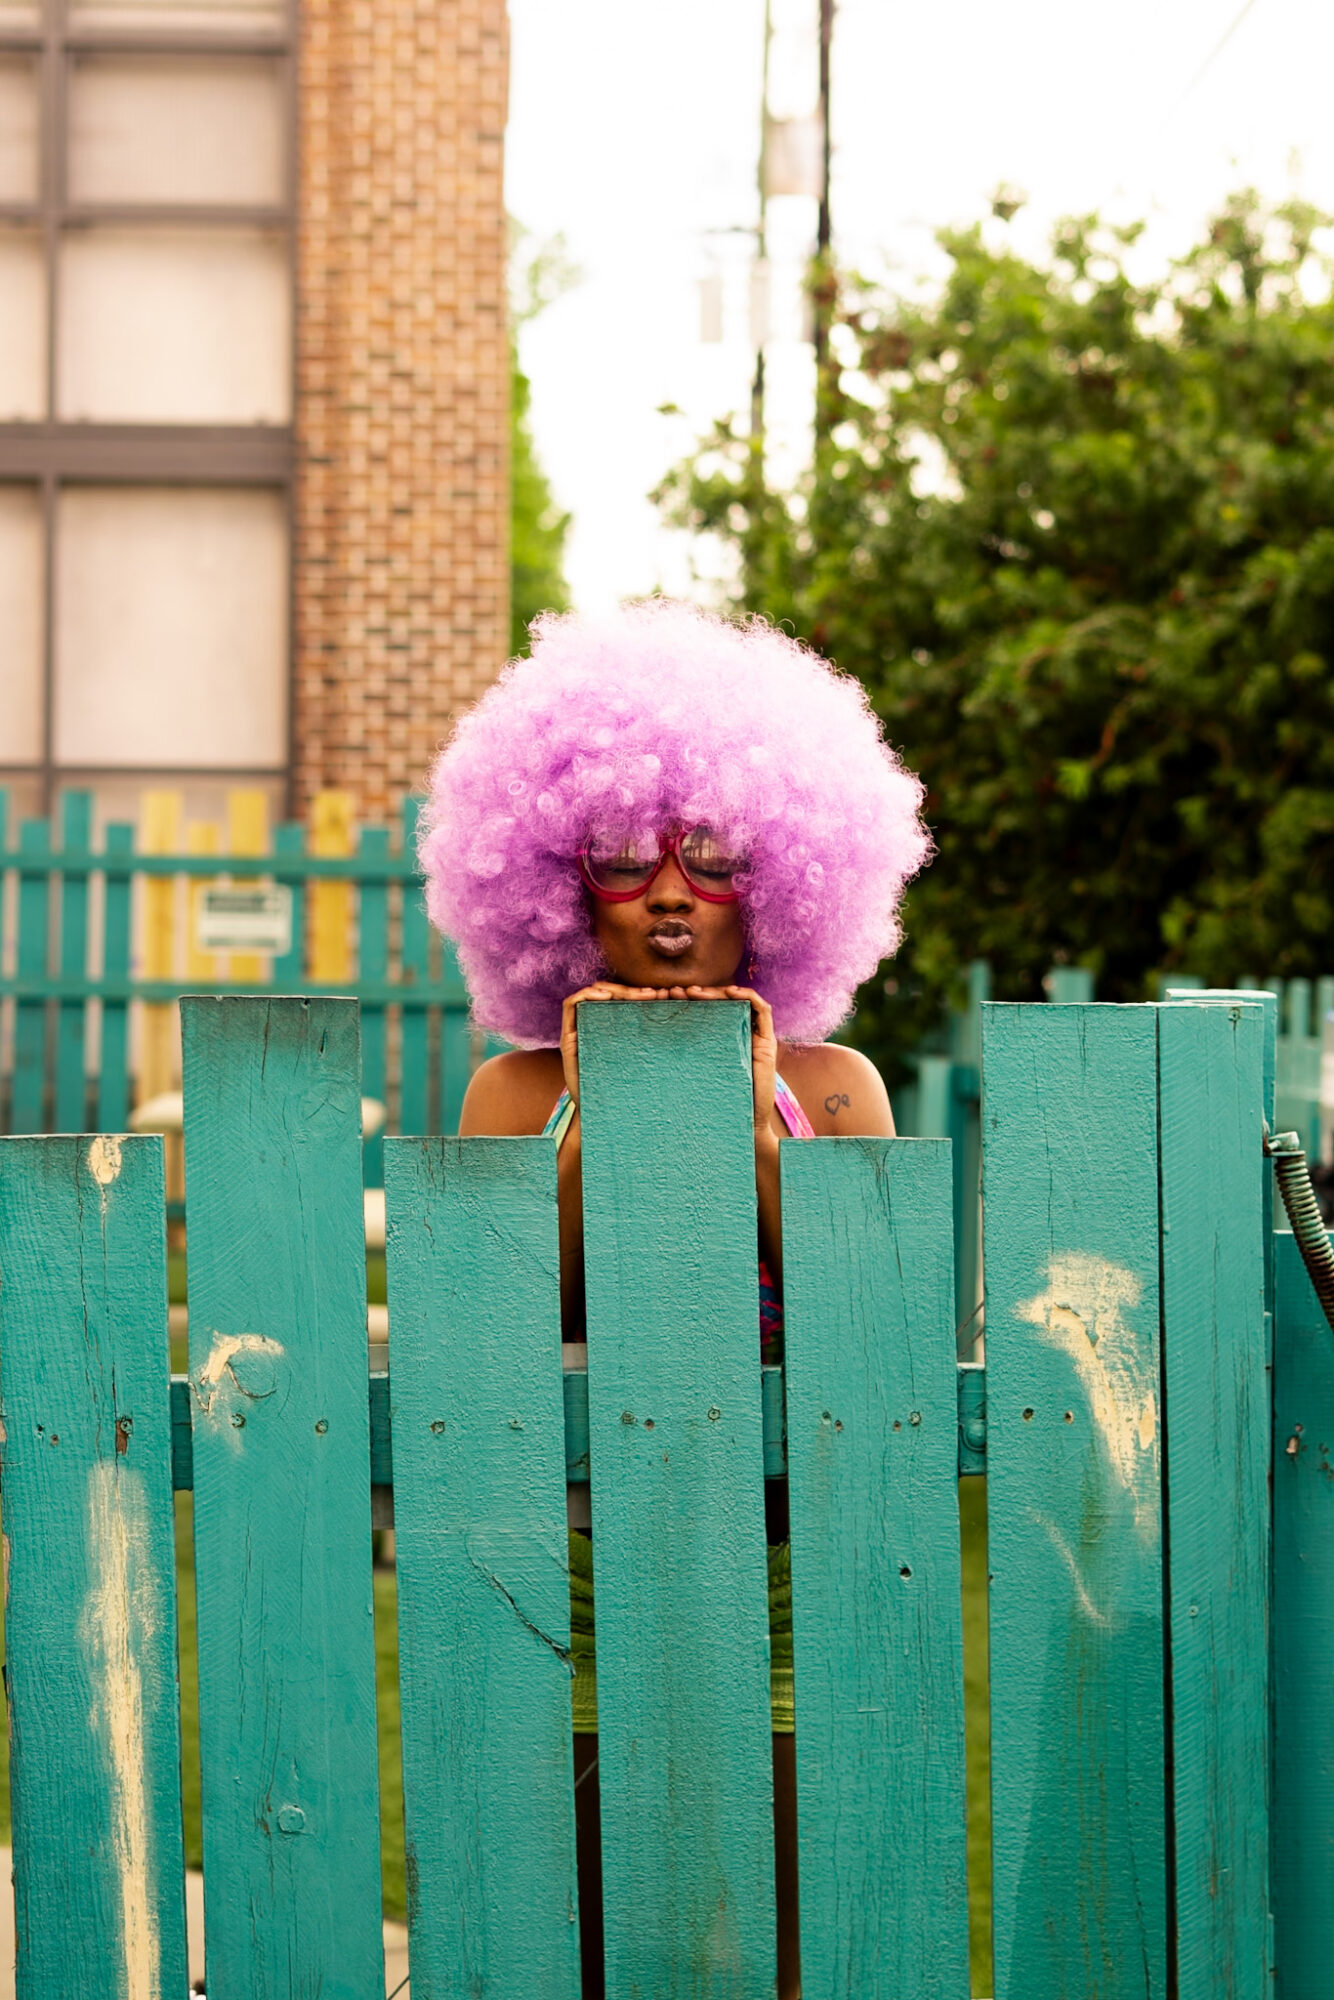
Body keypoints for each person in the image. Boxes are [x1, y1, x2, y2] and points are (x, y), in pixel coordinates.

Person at [419, 598, 929, 1997]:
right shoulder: (513, 1090)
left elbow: (875, 1329)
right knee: (586, 1926)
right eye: (619, 854)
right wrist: (597, 1101)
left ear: (776, 880)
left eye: (708, 857)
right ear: (551, 881)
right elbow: (507, 1314)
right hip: (572, 1559)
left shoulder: (835, 1087)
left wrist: (759, 1124)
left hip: (783, 1557)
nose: (662, 890)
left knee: (761, 1923)